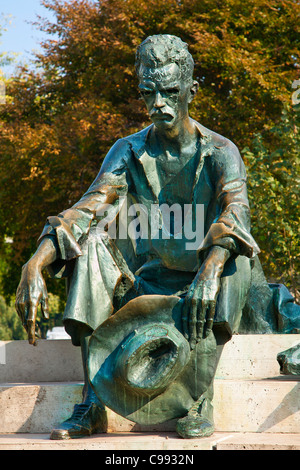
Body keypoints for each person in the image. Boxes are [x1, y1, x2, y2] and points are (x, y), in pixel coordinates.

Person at [15, 34, 262, 439]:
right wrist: (36, 262)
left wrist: (211, 268)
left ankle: (200, 399)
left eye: (170, 91)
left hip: (208, 280)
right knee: (93, 244)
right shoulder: (127, 151)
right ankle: (93, 401)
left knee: (234, 255)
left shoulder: (220, 151)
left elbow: (237, 212)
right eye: (149, 92)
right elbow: (87, 209)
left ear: (190, 91)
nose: (158, 103)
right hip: (149, 280)